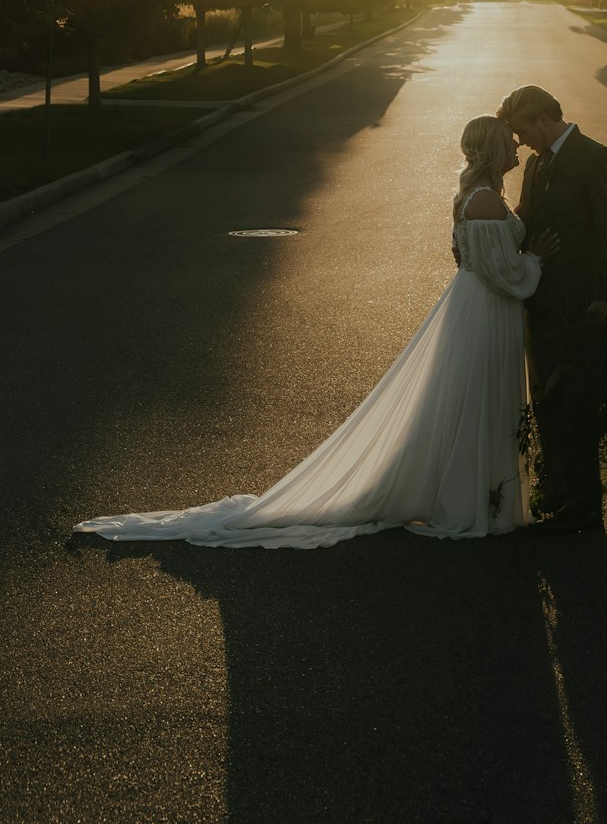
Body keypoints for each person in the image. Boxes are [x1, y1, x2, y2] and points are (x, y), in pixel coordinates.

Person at [74, 116, 557, 549]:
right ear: (493, 150)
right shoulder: (487, 201)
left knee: (471, 401)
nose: (517, 149)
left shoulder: (472, 196)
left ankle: (479, 498)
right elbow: (501, 273)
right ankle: (472, 506)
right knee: (476, 400)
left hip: (475, 306)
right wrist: (534, 258)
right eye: (510, 143)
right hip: (486, 308)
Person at [497, 85, 607, 534]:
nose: (520, 142)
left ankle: (586, 503)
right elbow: (527, 217)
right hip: (539, 298)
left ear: (544, 120)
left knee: (578, 401)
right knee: (546, 398)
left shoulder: (596, 157)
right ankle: (557, 487)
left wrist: (606, 297)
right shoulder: (535, 165)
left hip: (579, 301)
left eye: (522, 131)